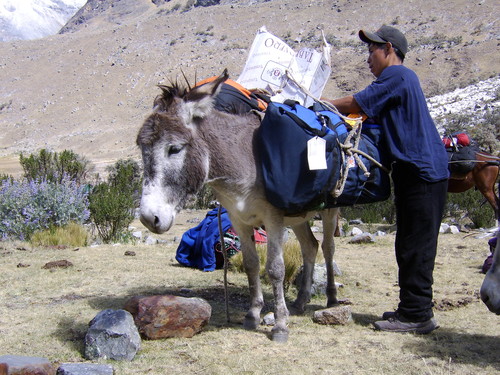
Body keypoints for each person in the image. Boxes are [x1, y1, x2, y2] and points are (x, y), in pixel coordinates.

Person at [323, 25, 449, 333]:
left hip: (423, 174)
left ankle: (418, 316)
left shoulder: (398, 76)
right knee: (407, 243)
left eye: (371, 50)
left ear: (389, 49)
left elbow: (356, 104)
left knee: (416, 246)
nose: (368, 58)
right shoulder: (399, 82)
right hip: (415, 174)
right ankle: (411, 308)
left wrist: (320, 104)